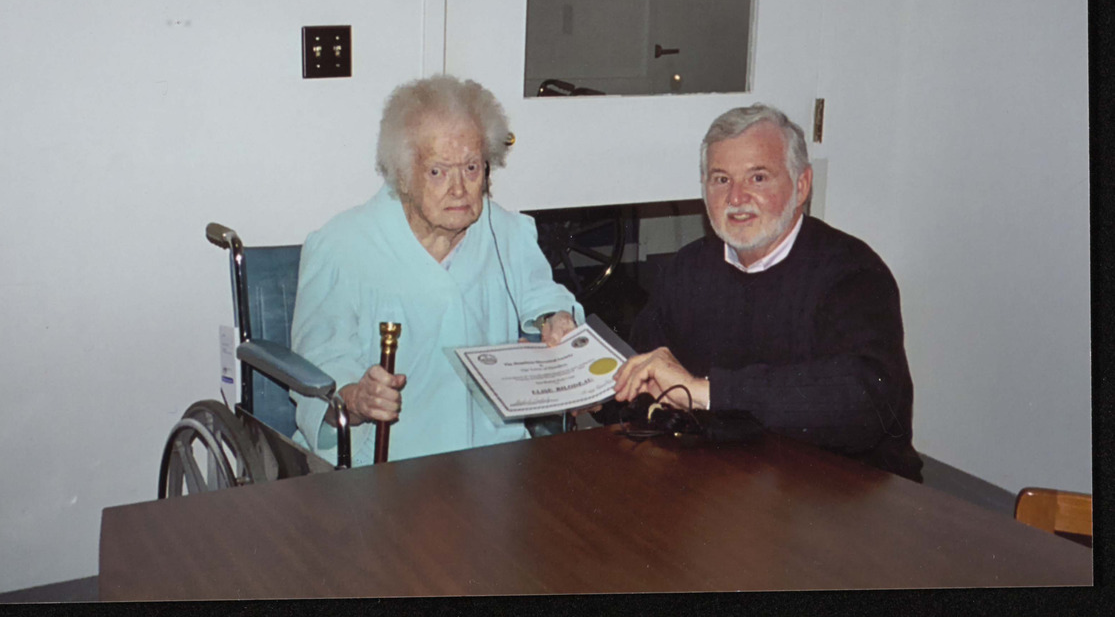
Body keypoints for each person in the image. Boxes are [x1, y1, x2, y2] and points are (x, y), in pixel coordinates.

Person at [613, 104, 923, 481]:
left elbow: (867, 401)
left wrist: (710, 392)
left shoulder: (852, 272)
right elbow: (644, 369)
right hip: (727, 484)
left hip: (841, 495)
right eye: (721, 179)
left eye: (758, 178)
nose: (737, 198)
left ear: (802, 186)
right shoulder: (687, 268)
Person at [290, 75, 582, 467]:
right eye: (437, 172)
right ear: (403, 174)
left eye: (472, 168)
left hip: (492, 459)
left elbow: (541, 295)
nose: (460, 189)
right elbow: (321, 357)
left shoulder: (507, 232)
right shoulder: (343, 246)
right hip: (386, 467)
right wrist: (356, 397)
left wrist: (556, 318)